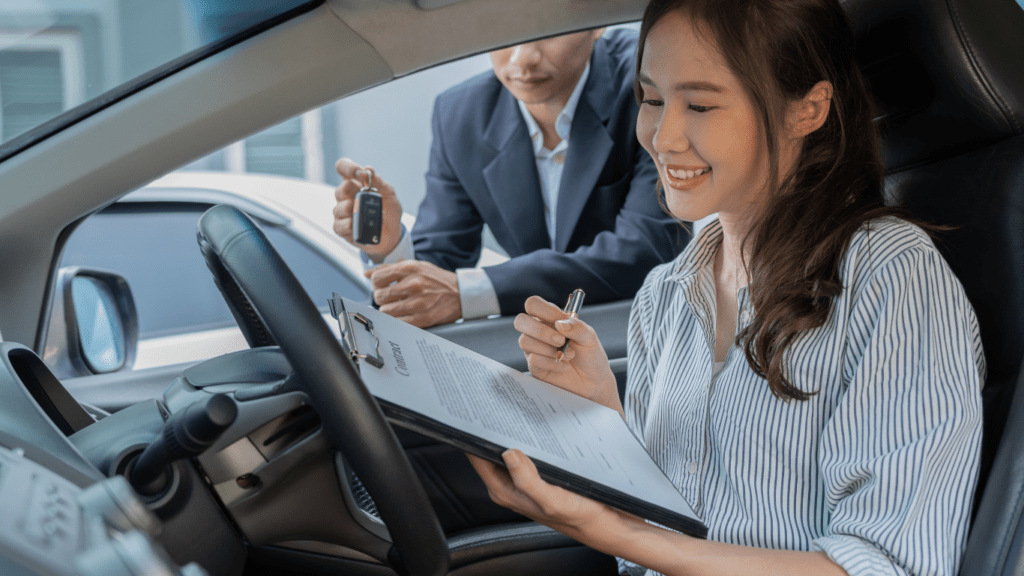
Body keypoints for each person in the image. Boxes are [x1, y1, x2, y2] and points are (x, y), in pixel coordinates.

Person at [469, 0, 985, 575]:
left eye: (701, 104)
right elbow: (677, 519)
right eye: (653, 99)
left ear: (808, 109)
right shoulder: (665, 293)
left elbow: (889, 566)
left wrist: (613, 532)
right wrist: (605, 421)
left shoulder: (887, 276)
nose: (662, 138)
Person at [333, 28, 687, 328]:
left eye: (547, 32)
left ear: (595, 23)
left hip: (647, 330)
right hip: (537, 345)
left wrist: (468, 293)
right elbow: (439, 265)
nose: (522, 59)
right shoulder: (461, 115)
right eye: (503, 31)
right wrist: (390, 247)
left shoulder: (647, 89)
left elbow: (644, 251)